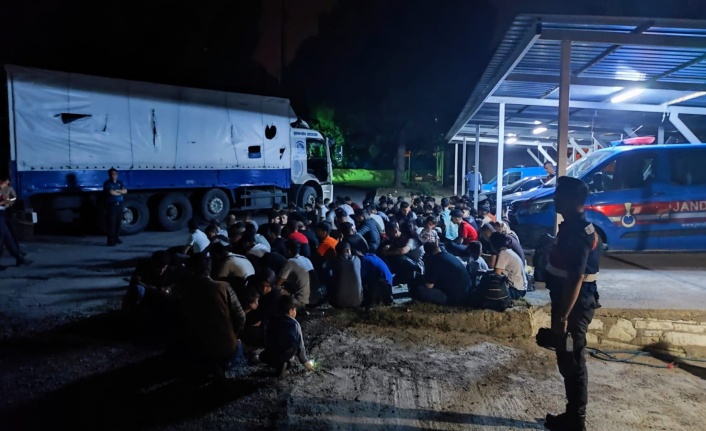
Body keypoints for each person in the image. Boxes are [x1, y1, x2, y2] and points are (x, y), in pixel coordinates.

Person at [543, 176, 601, 431]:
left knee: (573, 359)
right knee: (566, 357)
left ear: (569, 199)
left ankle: (576, 421)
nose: (554, 198)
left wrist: (563, 316)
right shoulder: (573, 227)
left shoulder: (578, 232)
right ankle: (572, 416)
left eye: (558, 194)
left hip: (574, 306)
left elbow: (577, 277)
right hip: (569, 302)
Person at [180, 253, 246, 379]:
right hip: (227, 347)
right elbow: (241, 317)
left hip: (200, 349)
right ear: (209, 269)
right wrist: (234, 333)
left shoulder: (186, 291)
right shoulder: (223, 287)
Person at [259, 295, 315, 377]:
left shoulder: (272, 320)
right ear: (290, 311)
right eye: (295, 310)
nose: (295, 312)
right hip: (287, 352)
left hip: (272, 350)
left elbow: (267, 336)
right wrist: (305, 361)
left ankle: (278, 363)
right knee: (292, 347)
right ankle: (285, 362)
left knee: (262, 356)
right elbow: (300, 344)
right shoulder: (294, 324)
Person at [418, 242, 472, 306]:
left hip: (456, 299)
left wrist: (426, 264)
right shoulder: (448, 255)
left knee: (420, 290)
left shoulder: (435, 261)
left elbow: (429, 286)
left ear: (428, 253)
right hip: (468, 293)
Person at [489, 232, 527, 299]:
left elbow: (497, 275)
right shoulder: (508, 251)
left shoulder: (503, 254)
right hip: (521, 288)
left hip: (516, 290)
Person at [328, 241, 363, 308]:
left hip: (340, 303)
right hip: (358, 301)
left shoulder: (335, 261)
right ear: (347, 250)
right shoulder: (357, 259)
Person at [103, 168, 127, 246]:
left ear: (117, 175)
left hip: (119, 205)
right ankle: (110, 240)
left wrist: (117, 191)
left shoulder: (120, 182)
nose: (113, 176)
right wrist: (120, 191)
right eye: (112, 174)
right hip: (111, 205)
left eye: (115, 174)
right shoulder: (107, 183)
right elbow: (112, 193)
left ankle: (116, 238)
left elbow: (125, 191)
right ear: (109, 175)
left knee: (118, 223)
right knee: (111, 223)